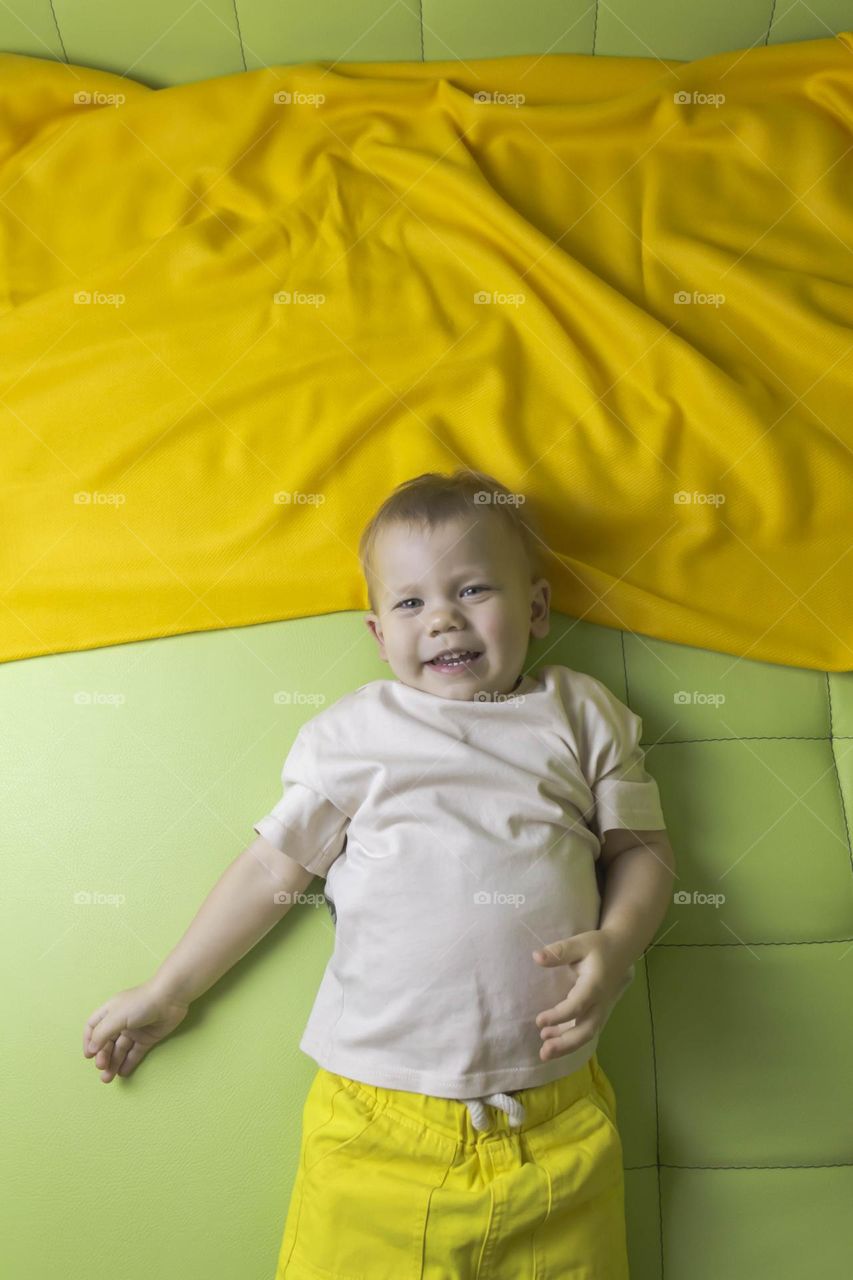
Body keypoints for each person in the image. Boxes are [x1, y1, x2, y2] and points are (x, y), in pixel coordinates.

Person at [82, 468, 676, 1278]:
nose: (442, 619)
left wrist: (618, 942)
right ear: (376, 632)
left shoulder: (581, 712)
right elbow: (272, 868)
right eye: (410, 604)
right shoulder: (357, 732)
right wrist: (169, 989)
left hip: (556, 1121)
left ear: (536, 609)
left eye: (472, 590)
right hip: (377, 1122)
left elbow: (640, 852)